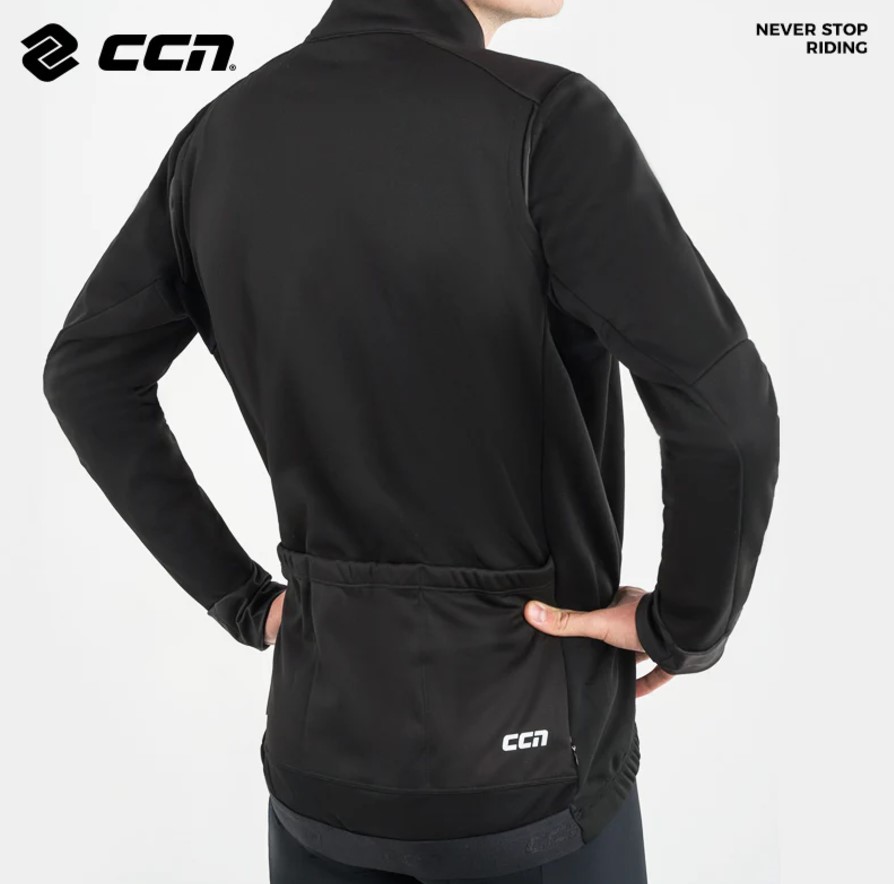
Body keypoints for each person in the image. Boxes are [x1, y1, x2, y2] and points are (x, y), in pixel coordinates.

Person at [42, 0, 780, 882]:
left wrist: (241, 598)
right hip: (535, 765)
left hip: (321, 764)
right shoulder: (546, 120)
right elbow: (724, 411)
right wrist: (686, 625)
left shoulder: (220, 136)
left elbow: (87, 376)